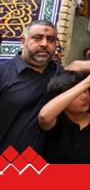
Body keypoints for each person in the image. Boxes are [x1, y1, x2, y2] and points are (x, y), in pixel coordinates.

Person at [0, 20, 63, 153]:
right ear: (23, 40)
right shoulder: (3, 73)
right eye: (37, 38)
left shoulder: (60, 73)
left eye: (51, 39)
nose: (44, 44)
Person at [38, 69, 90, 164]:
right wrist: (88, 81)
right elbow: (44, 116)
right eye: (77, 93)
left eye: (86, 90)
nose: (84, 97)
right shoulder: (56, 121)